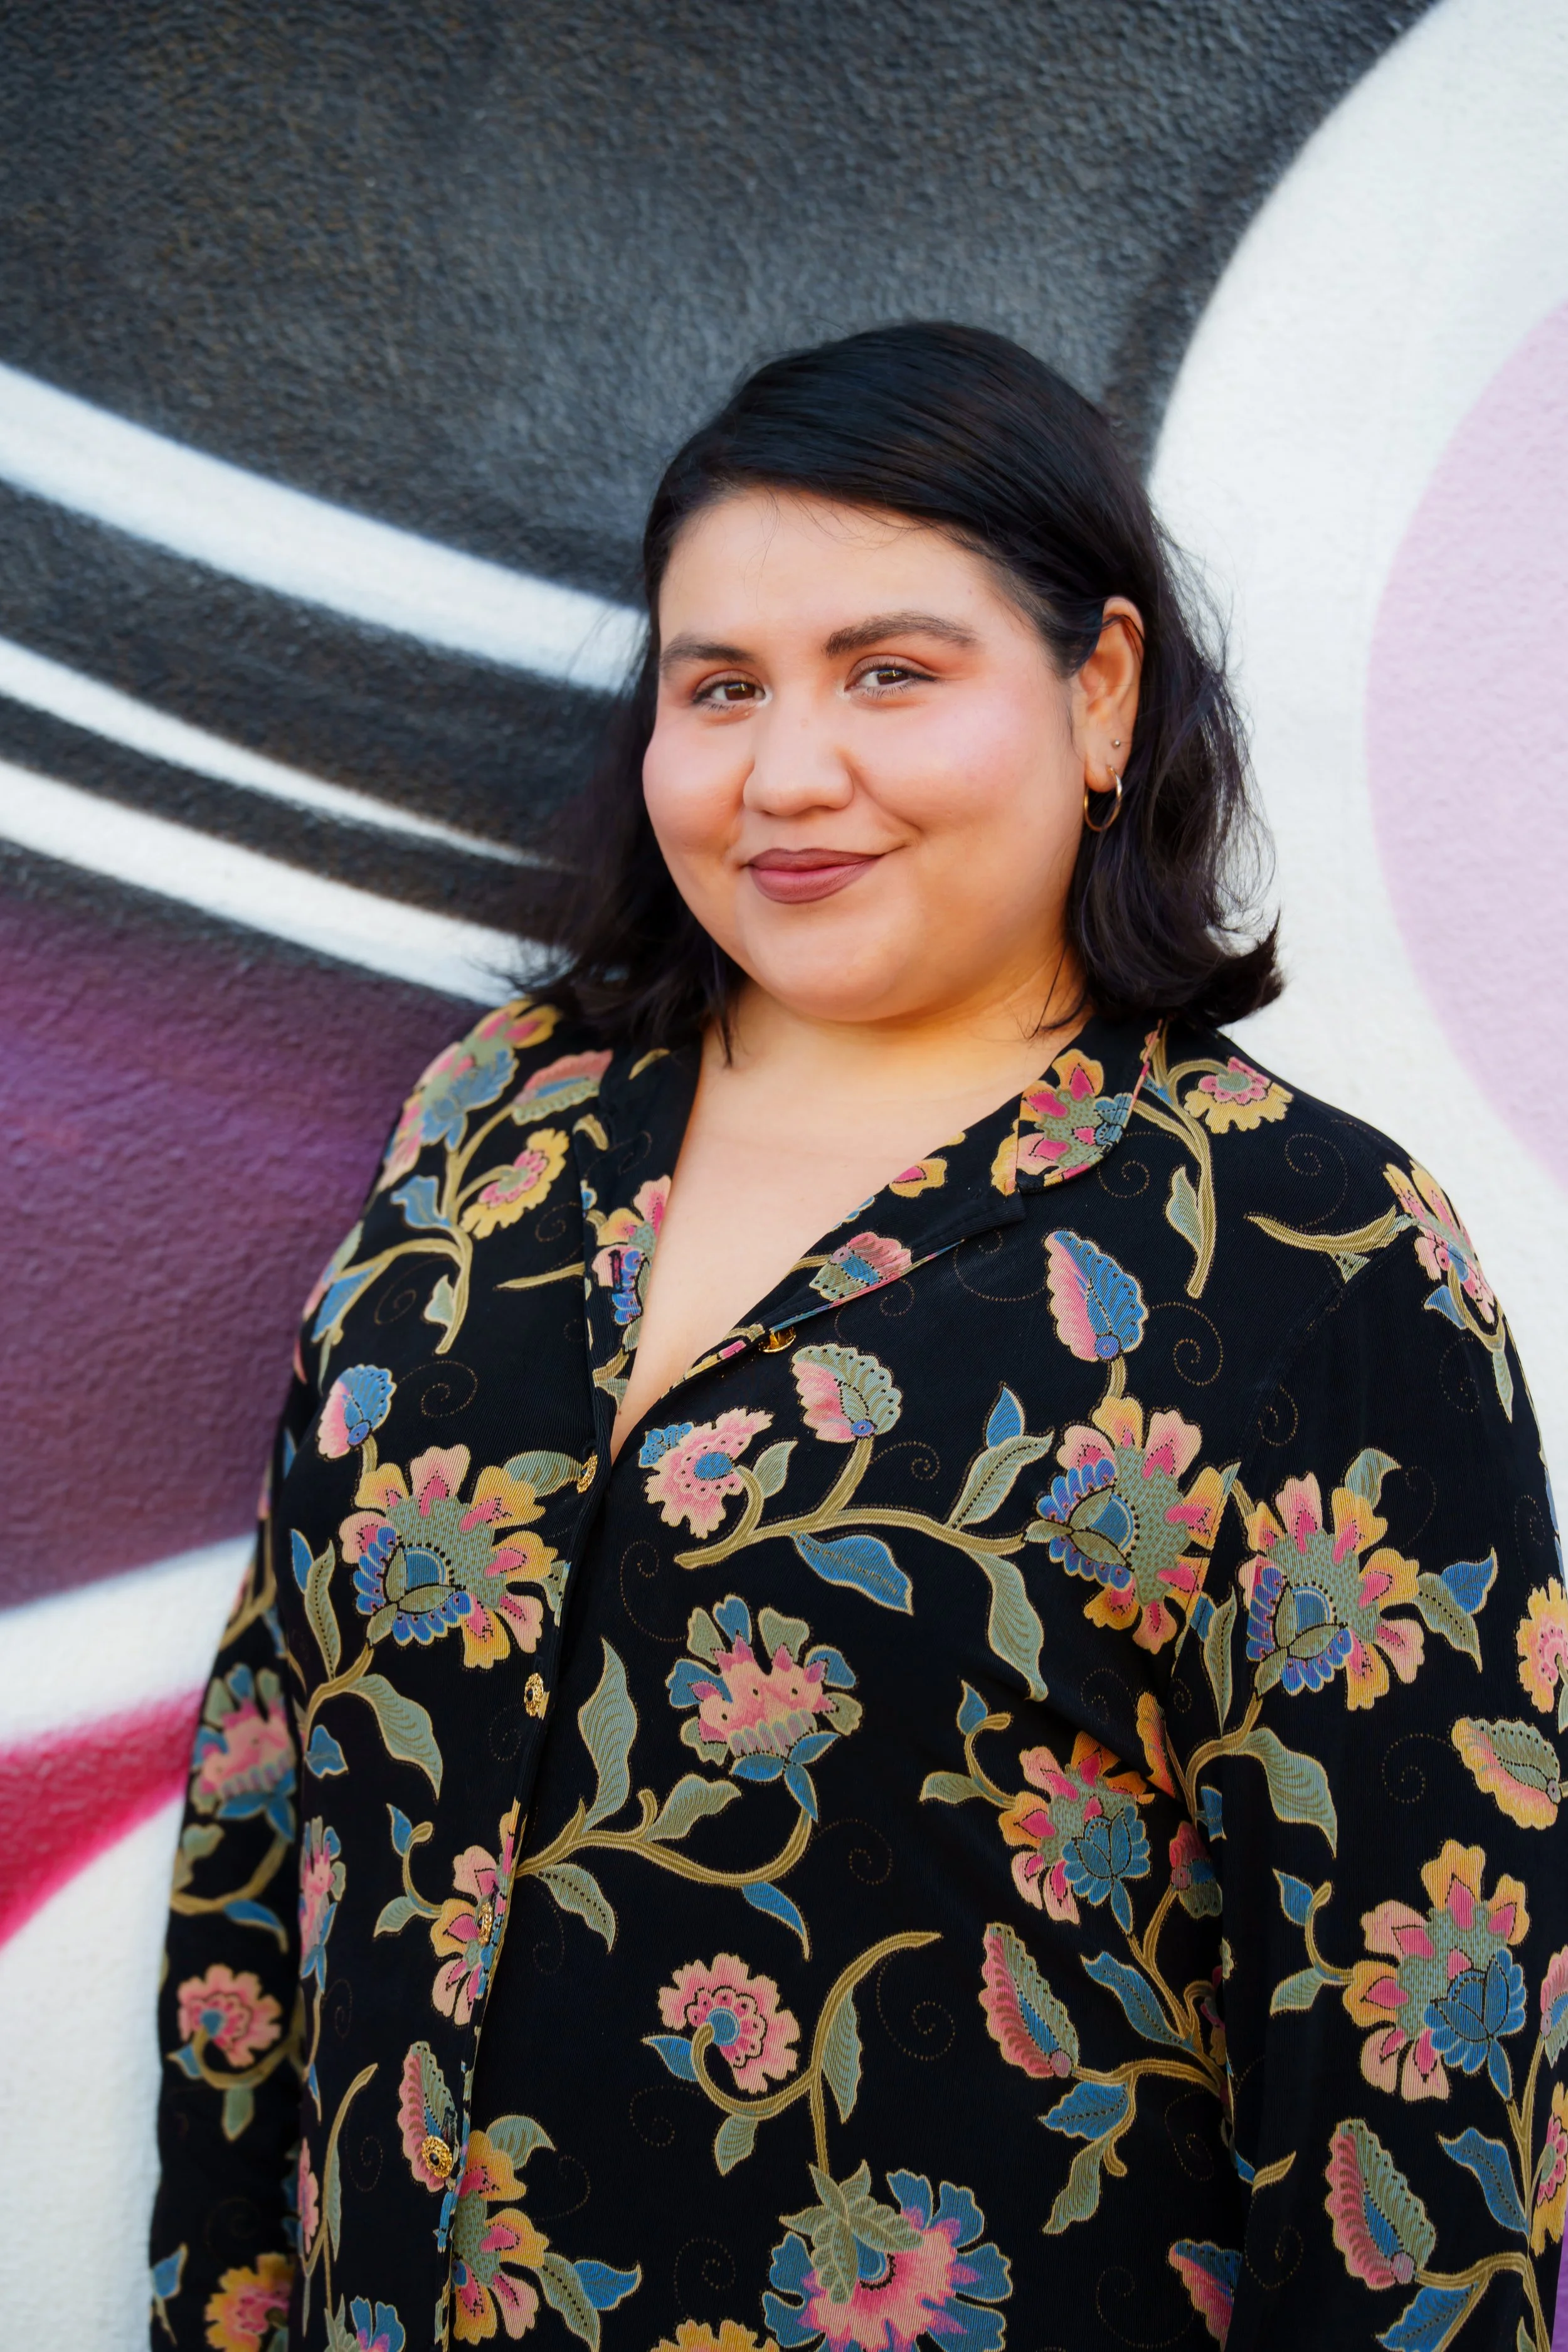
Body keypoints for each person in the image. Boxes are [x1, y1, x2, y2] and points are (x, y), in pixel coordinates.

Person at [150, 324, 1567, 2352]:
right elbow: (268, 1812)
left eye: (889, 671)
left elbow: (1430, 2076)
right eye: (717, 686)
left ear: (1098, 696)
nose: (784, 770)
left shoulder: (1307, 1250)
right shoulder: (495, 1134)